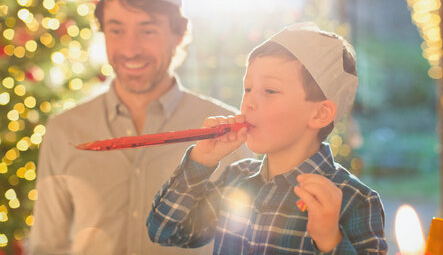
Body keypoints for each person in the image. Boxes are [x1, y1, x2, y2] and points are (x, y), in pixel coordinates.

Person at [30, 0, 252, 255]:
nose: (130, 49)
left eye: (147, 31)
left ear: (178, 35)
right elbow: (48, 246)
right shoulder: (64, 131)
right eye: (116, 30)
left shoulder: (228, 138)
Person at [147, 23, 388, 254]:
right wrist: (201, 161)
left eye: (269, 91)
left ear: (320, 113)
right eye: (248, 88)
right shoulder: (235, 179)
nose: (249, 102)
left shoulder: (356, 200)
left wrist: (329, 239)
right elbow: (164, 231)